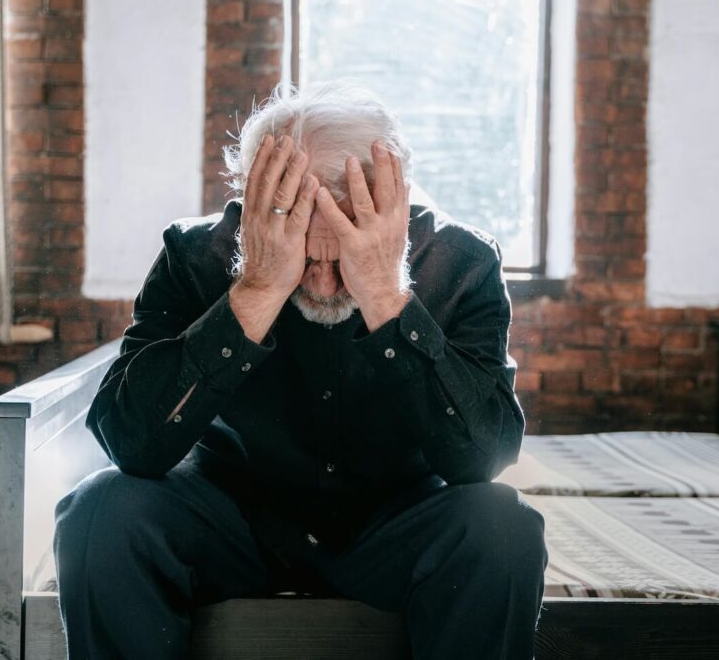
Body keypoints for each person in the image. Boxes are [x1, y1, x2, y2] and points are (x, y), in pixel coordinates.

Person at [53, 81, 548, 659]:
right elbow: (131, 442)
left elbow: (483, 457)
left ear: (392, 213)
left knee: (503, 525)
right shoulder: (195, 255)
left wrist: (387, 296)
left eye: (343, 258)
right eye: (304, 259)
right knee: (100, 512)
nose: (320, 283)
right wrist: (258, 285)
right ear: (255, 214)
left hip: (395, 522)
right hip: (235, 520)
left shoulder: (462, 261)